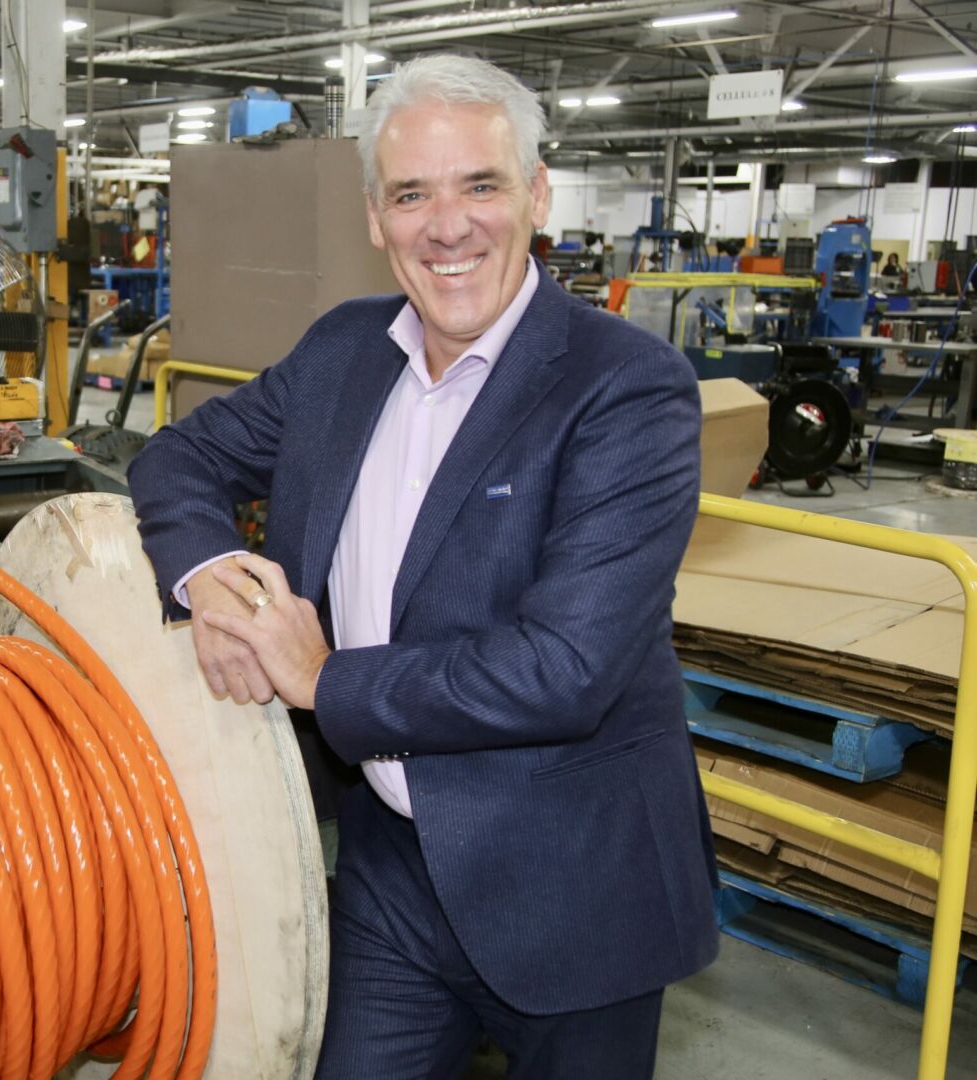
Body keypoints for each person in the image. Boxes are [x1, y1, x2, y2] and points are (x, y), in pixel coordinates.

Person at [127, 53, 719, 1079]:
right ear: (376, 217)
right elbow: (179, 453)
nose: (447, 227)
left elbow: (565, 666)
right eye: (412, 194)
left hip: (572, 881)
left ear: (536, 194)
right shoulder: (344, 353)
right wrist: (215, 578)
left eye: (480, 185)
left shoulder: (625, 388)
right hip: (390, 866)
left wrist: (320, 677)